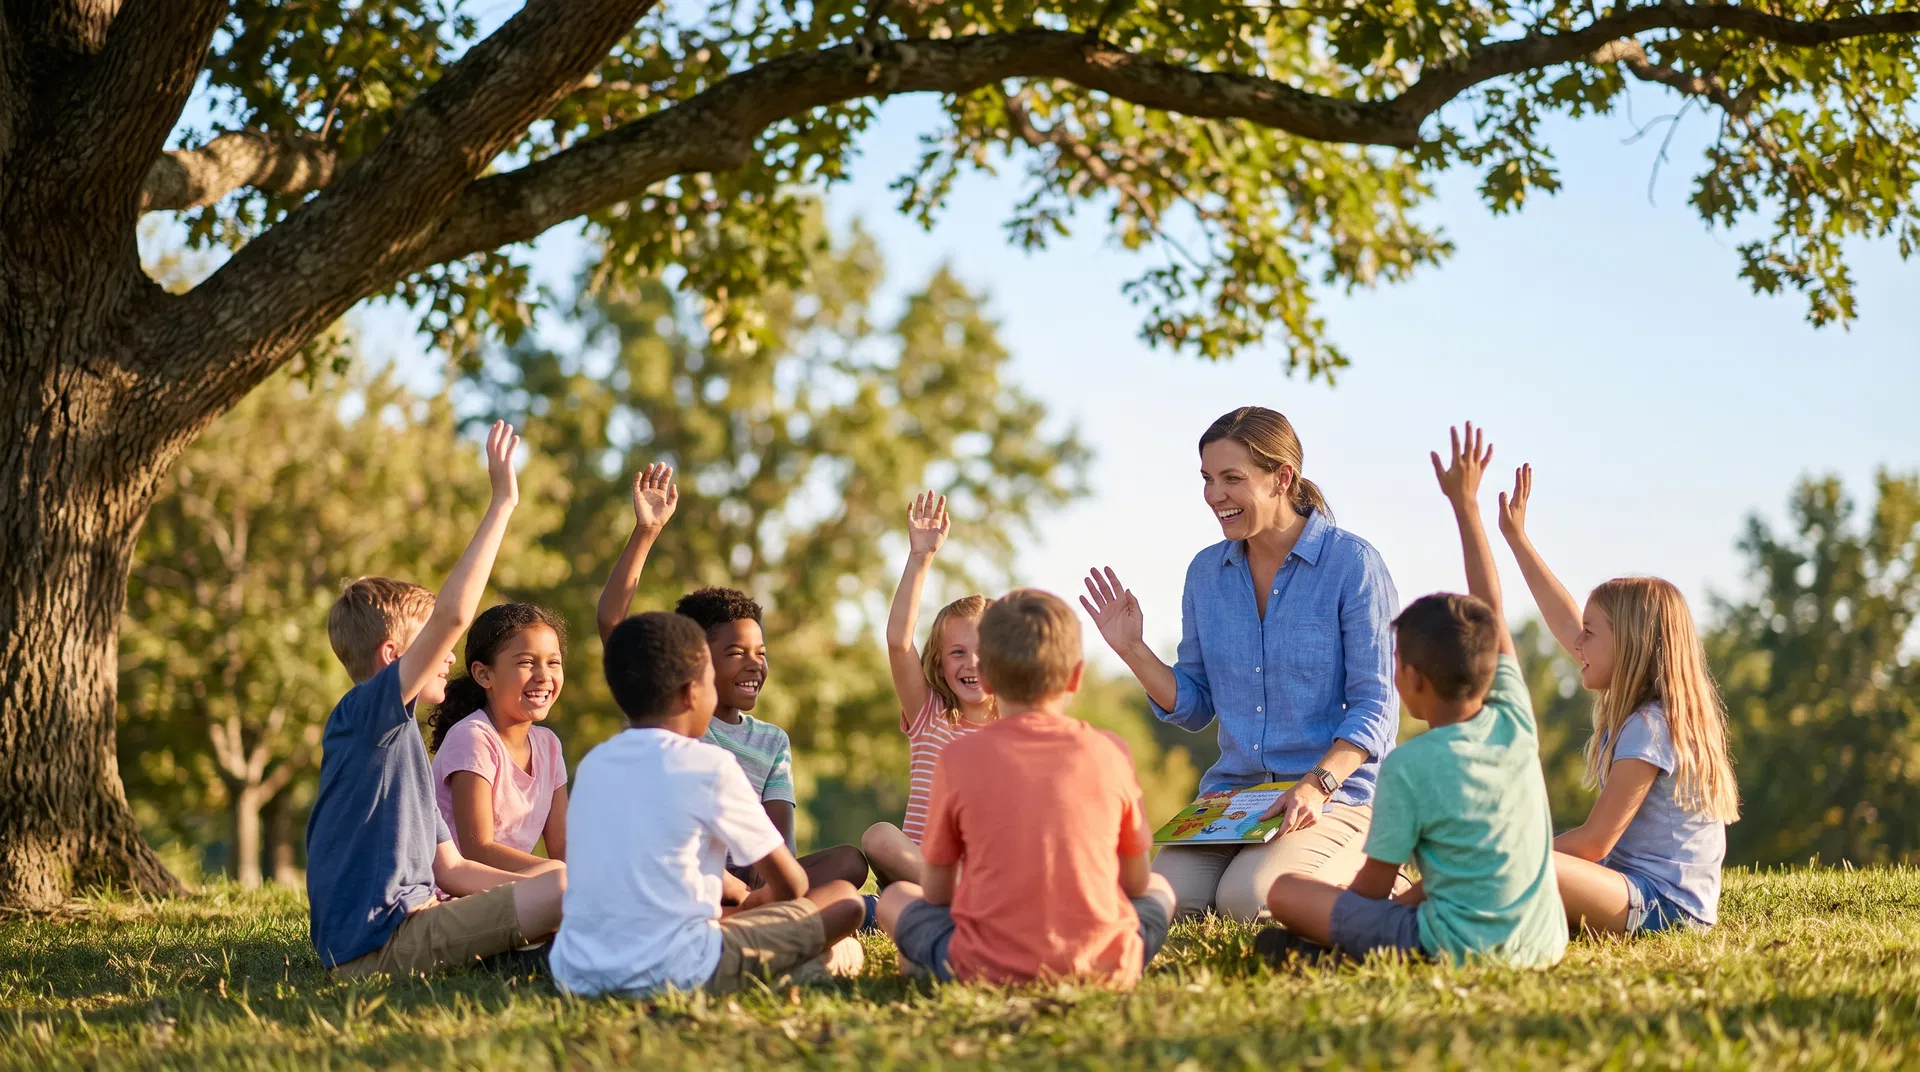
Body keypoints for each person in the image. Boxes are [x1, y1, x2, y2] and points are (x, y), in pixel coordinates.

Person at [1261, 424, 1567, 968]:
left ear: (1413, 680)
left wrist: (1338, 917)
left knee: (1285, 893)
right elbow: (1491, 610)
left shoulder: (1409, 765)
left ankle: (1328, 952)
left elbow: (1372, 889)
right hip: (1543, 944)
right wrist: (1467, 507)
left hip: (1449, 947)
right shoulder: (1515, 718)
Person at [1081, 406, 1400, 921]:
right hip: (1234, 799)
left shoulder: (1353, 565)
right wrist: (1131, 650)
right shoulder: (1206, 573)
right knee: (1155, 905)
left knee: (1248, 900)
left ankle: (1381, 877)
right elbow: (1194, 705)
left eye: (1232, 479)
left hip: (1334, 793)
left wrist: (1317, 784)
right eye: (1207, 479)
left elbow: (1376, 706)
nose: (1215, 495)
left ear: (1282, 478)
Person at [306, 421, 565, 979]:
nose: (447, 655)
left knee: (564, 889)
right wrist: (502, 503)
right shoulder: (366, 716)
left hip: (419, 926)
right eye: (433, 645)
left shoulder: (403, 750)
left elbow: (452, 869)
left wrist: (546, 887)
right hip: (378, 947)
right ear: (393, 655)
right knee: (567, 895)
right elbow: (453, 614)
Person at [550, 612, 867, 997]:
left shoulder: (594, 764)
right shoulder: (710, 765)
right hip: (677, 970)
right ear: (692, 693)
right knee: (845, 903)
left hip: (577, 971)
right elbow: (793, 883)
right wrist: (751, 906)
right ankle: (818, 963)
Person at [595, 464, 871, 903]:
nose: (755, 665)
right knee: (836, 902)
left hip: (753, 878)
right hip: (685, 872)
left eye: (761, 653)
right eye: (737, 653)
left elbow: (779, 845)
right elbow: (612, 622)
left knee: (849, 863)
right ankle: (777, 915)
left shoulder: (772, 741)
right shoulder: (668, 714)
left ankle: (765, 911)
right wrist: (646, 532)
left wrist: (762, 881)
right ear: (695, 660)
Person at [876, 589, 1177, 987]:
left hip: (983, 968)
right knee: (1160, 887)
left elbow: (936, 892)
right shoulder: (1112, 751)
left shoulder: (959, 758)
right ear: (1076, 676)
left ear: (989, 675)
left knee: (894, 899)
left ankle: (927, 962)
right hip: (1102, 967)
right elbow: (1135, 882)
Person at [1497, 462, 1740, 934]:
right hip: (1635, 890)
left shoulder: (1652, 727)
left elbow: (1594, 842)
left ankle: (1403, 916)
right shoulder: (1651, 715)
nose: (1576, 645)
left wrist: (1509, 854)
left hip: (1665, 907)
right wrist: (1518, 540)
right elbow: (1566, 621)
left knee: (1511, 866)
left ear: (1629, 647)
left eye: (1589, 634)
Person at [861, 491, 998, 887]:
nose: (972, 663)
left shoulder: (1016, 731)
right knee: (878, 836)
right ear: (938, 663)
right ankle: (963, 898)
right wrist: (920, 559)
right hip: (921, 877)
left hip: (985, 877)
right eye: (958, 652)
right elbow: (898, 641)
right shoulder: (931, 714)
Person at [428, 603, 571, 873]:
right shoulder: (473, 738)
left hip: (514, 887)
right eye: (526, 662)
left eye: (553, 662)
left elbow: (563, 848)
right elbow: (477, 849)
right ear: (484, 674)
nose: (544, 676)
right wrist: (557, 873)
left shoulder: (549, 745)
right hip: (455, 891)